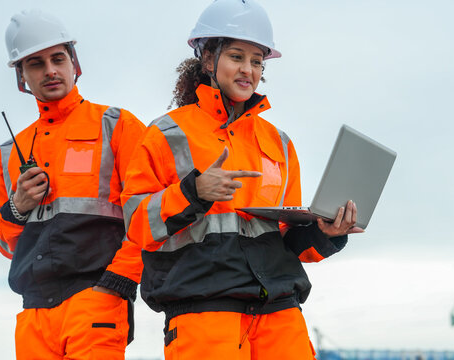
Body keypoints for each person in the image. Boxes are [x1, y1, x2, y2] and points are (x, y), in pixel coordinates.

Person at [121, 0, 364, 358]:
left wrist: (326, 233)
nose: (247, 70)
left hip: (280, 313)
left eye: (256, 61)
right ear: (207, 59)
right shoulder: (167, 133)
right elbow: (137, 222)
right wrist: (194, 192)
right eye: (236, 56)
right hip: (204, 314)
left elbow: (289, 242)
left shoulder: (278, 143)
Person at [0, 9, 145, 359]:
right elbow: (3, 241)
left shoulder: (116, 126)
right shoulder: (5, 155)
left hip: (95, 298)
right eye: (36, 63)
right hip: (33, 314)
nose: (50, 71)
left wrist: (120, 280)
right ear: (21, 76)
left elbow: (149, 214)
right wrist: (17, 208)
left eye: (58, 59)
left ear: (74, 63)